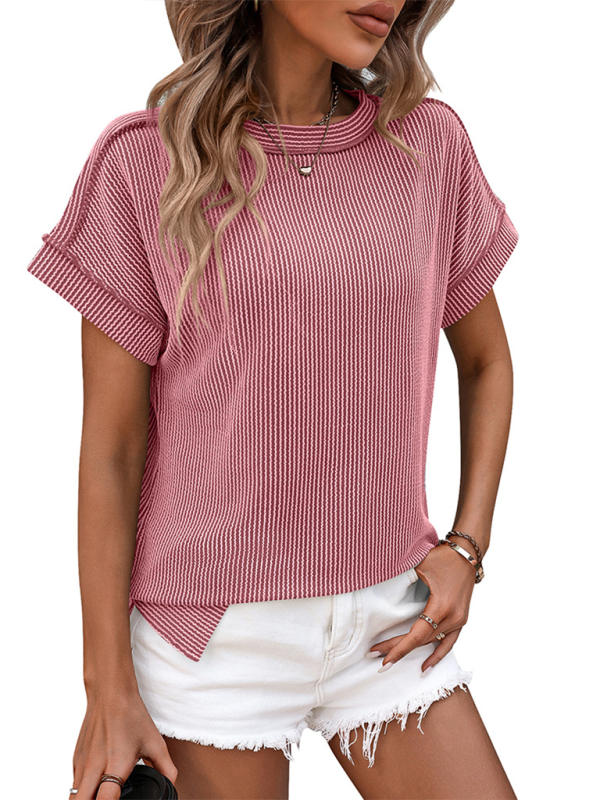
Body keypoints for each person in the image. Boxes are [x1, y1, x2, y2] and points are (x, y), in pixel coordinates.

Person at [26, 1, 521, 798]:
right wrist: (105, 687)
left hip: (392, 618)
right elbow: (113, 450)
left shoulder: (428, 145)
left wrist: (467, 547)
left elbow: (488, 361)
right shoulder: (144, 164)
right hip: (214, 643)